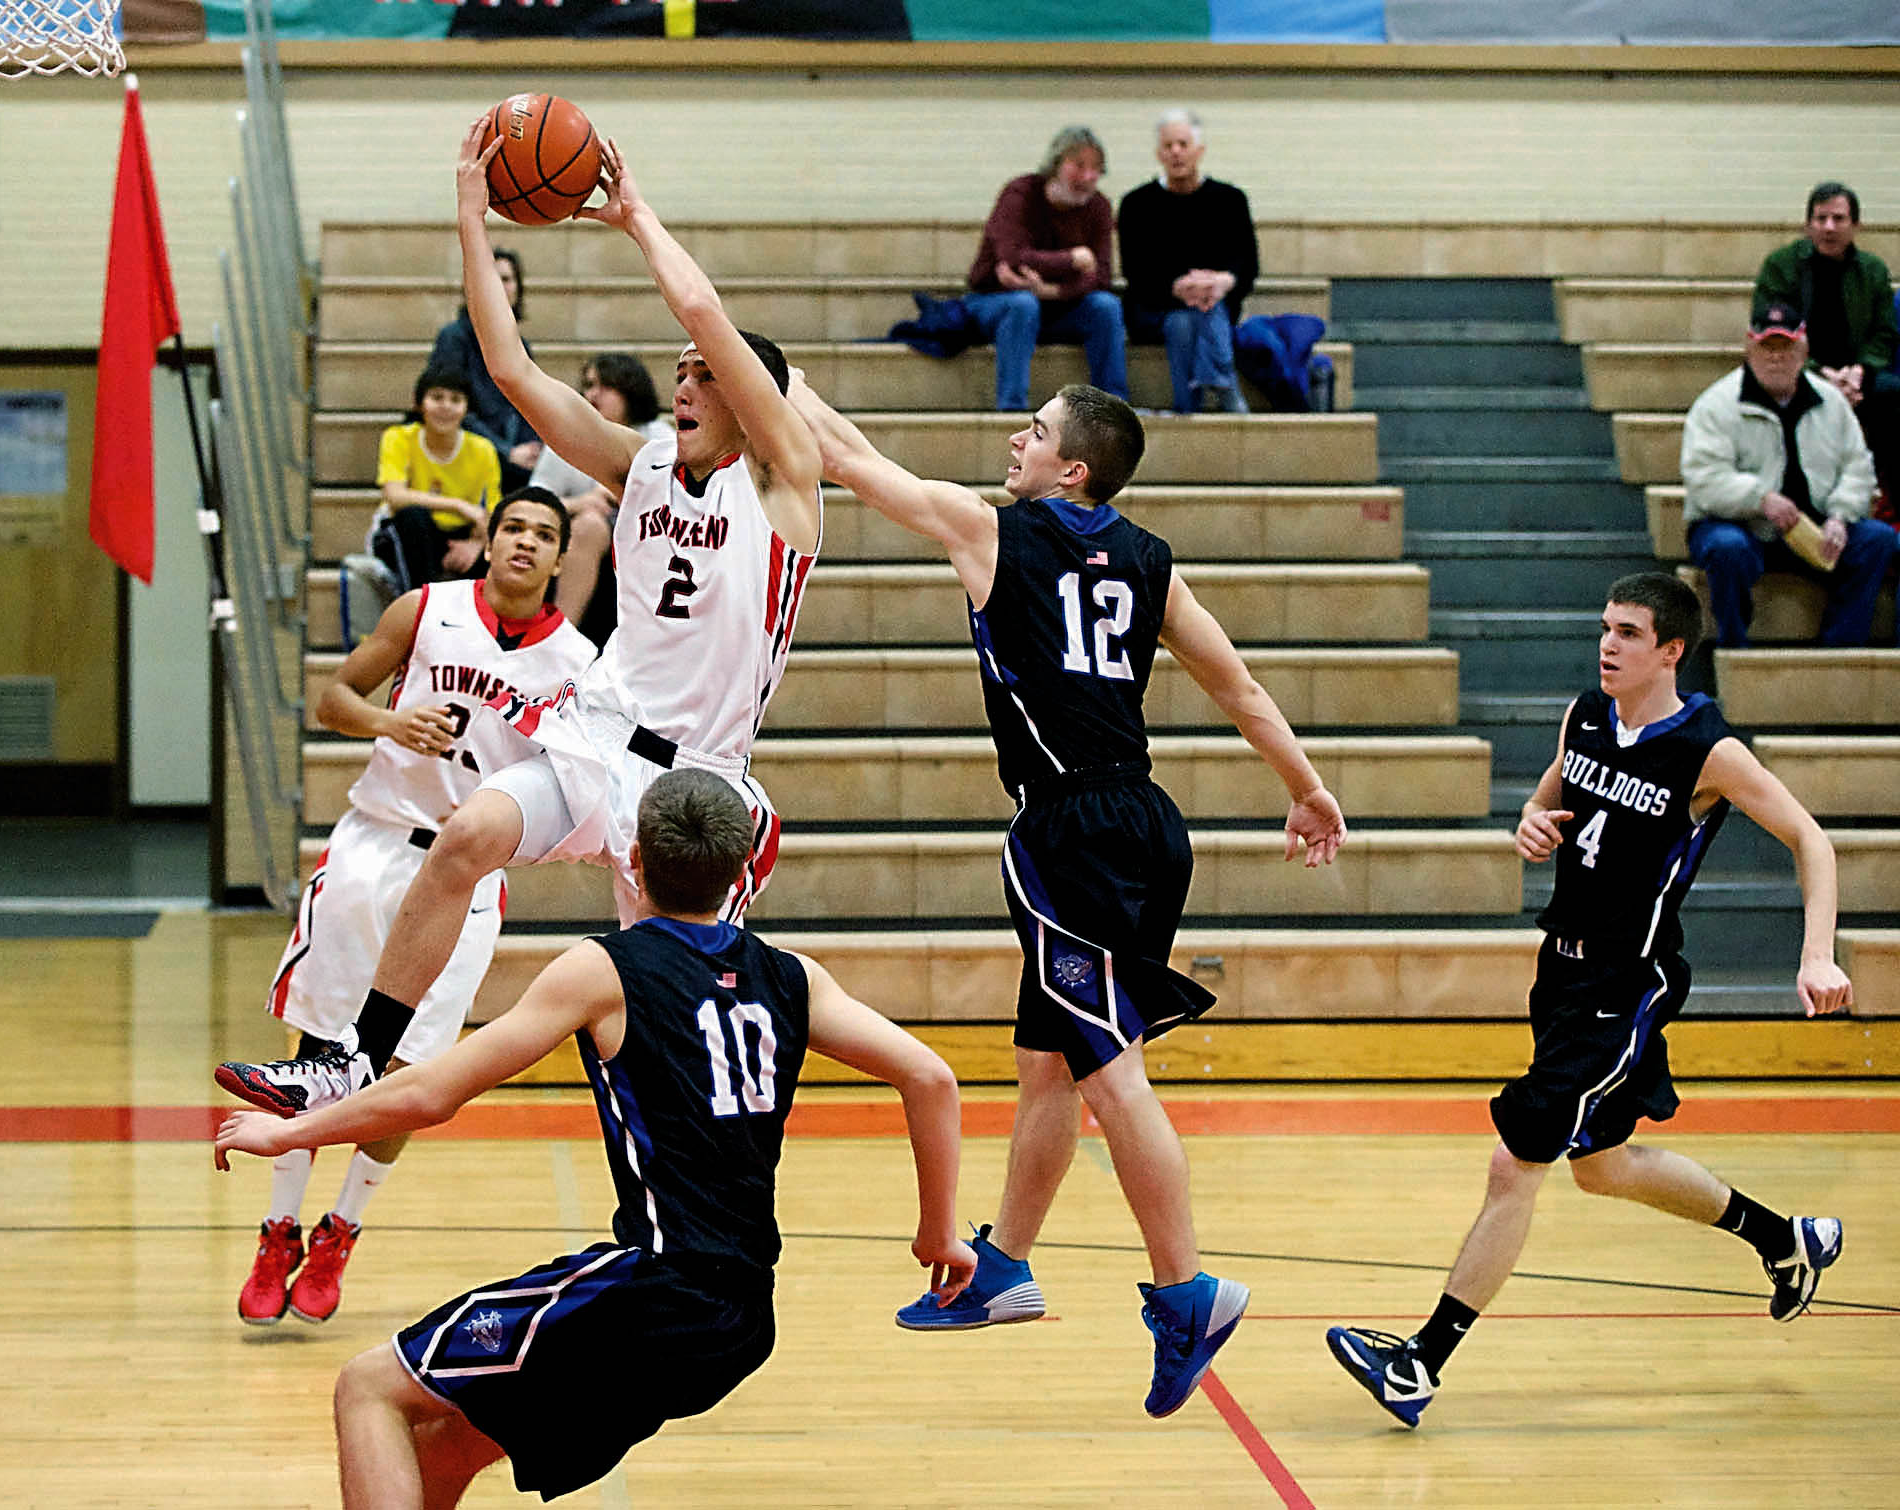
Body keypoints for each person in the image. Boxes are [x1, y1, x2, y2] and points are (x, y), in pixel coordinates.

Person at [215, 121, 822, 1121]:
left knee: (676, 1007)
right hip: (593, 736)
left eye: (702, 372)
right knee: (465, 837)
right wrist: (468, 206)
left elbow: (706, 308)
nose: (683, 382)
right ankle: (351, 1060)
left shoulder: (781, 481)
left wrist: (632, 217)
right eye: (676, 370)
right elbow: (510, 370)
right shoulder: (641, 464)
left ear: (752, 398)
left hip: (694, 782)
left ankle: (695, 1170)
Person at [786, 374, 1347, 1418]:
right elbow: (1238, 686)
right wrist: (1305, 786)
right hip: (1145, 820)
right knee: (1046, 1058)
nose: (1015, 436)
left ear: (1070, 468)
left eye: (1034, 430)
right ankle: (1001, 1267)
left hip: (1065, 834)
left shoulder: (993, 532)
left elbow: (851, 463)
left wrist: (778, 381)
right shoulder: (1147, 559)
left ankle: (1188, 1290)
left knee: (1104, 1067)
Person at [215, 768, 975, 1506]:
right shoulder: (793, 978)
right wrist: (938, 1234)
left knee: (368, 1389)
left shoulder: (604, 971)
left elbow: (430, 1090)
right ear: (742, 868)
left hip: (650, 1296)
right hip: (741, 1318)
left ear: (634, 860)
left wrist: (293, 1132)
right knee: (445, 1443)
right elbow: (932, 1079)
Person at [1325, 572, 1854, 1430]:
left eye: (1629, 633)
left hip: (1624, 983)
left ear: (1671, 650)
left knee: (1515, 1161)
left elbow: (1812, 840)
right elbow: (1546, 806)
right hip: (1561, 973)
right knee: (1602, 1166)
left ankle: (1419, 1363)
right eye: (1605, 628)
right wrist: (1530, 826)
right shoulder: (1585, 715)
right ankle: (1784, 1240)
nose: (1608, 644)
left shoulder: (1710, 750)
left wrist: (1817, 955)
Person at [232, 490, 595, 1325]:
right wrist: (390, 723)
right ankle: (278, 1225)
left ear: (560, 560)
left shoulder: (576, 663)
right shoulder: (424, 610)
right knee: (321, 1044)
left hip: (462, 879)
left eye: (545, 535)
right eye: (514, 529)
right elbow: (333, 701)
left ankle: (340, 1231)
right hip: (373, 848)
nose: (526, 544)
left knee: (405, 1068)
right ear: (490, 540)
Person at [1682, 302, 1895, 648]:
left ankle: (1840, 649)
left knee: (1878, 539)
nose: (1776, 358)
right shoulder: (1715, 405)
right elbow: (1704, 479)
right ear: (1749, 349)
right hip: (1742, 527)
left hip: (1815, 530)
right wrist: (1760, 498)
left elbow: (1858, 467)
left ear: (1804, 351)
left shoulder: (1831, 402)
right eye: (1767, 347)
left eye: (1786, 348)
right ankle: (1735, 648)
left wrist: (1841, 516)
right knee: (1725, 547)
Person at [964, 127, 1129, 413]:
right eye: (1079, 166)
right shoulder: (1020, 193)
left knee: (1106, 306)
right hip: (996, 299)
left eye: (1096, 170)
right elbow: (1013, 257)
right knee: (1022, 305)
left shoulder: (1099, 206)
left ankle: (1112, 410)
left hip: (1061, 305)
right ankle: (1012, 409)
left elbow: (1101, 276)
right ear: (1056, 164)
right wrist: (1072, 260)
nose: (1088, 177)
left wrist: (1053, 291)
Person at [1752, 180, 1899, 494]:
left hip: (1857, 377)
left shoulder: (1872, 271)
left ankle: (1884, 498)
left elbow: (1885, 333)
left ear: (1856, 225)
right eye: (1820, 219)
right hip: (1798, 371)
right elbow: (1771, 333)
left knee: (1893, 397)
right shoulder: (1781, 266)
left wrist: (1859, 372)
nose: (1829, 228)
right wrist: (1821, 375)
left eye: (1838, 219)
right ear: (1808, 225)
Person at [1117, 109, 1259, 415]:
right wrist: (1177, 287)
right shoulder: (1136, 203)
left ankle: (1188, 406)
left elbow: (1247, 265)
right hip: (1153, 306)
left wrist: (1223, 282)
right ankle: (1223, 383)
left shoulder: (1231, 200)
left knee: (1195, 315)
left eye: (1183, 144)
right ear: (1159, 154)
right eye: (1168, 146)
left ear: (1200, 151)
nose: (1176, 152)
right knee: (1187, 317)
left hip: (1214, 303)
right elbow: (1135, 271)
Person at [530, 352, 677, 645]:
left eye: (603, 386)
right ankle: (558, 642)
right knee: (590, 524)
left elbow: (680, 500)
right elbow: (534, 503)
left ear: (629, 388)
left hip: (645, 533)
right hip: (582, 533)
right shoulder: (566, 433)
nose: (591, 394)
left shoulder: (659, 436)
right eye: (587, 385)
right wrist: (580, 502)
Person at [373, 365, 503, 592]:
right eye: (436, 397)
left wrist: (476, 545)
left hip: (463, 535)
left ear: (466, 408)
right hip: (409, 531)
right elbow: (395, 496)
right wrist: (459, 506)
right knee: (413, 517)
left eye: (455, 399)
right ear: (419, 402)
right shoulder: (398, 438)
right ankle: (419, 609)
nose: (446, 407)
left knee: (498, 550)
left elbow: (492, 512)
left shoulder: (483, 449)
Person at [429, 243, 544, 488]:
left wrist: (531, 450)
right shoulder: (453, 339)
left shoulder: (520, 345)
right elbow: (450, 412)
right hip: (471, 452)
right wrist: (507, 452)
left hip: (515, 456)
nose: (500, 287)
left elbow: (530, 408)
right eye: (492, 278)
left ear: (518, 289)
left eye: (506, 279)